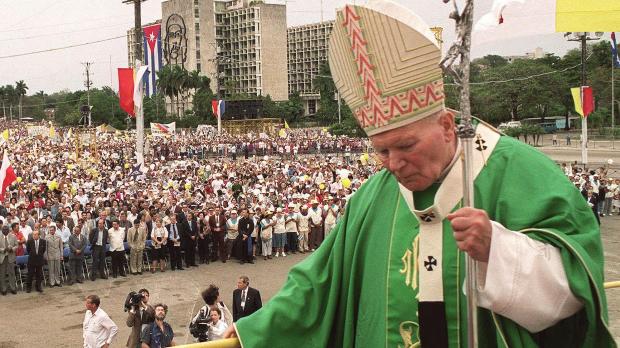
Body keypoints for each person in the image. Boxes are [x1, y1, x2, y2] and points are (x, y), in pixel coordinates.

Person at [225, 2, 614, 347]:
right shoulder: (372, 196)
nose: (394, 164)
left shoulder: (521, 173)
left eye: (406, 146)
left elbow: (577, 283)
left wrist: (499, 250)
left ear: (447, 126)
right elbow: (319, 281)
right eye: (381, 151)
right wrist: (254, 332)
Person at [0, 225, 18, 295]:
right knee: (2, 274)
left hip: (10, 257)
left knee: (11, 273)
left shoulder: (13, 236)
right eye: (3, 230)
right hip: (2, 257)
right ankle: (3, 289)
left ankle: (13, 288)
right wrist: (3, 250)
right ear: (1, 230)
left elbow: (16, 245)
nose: (4, 231)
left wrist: (12, 249)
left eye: (6, 229)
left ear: (8, 230)